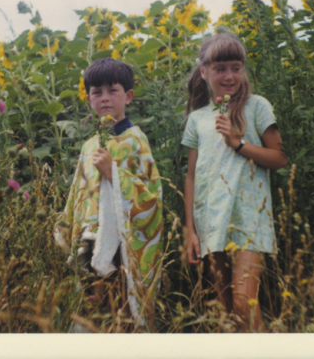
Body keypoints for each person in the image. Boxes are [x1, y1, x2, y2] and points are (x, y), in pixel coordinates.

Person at [181, 32, 287, 332]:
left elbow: (279, 158)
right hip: (211, 219)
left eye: (236, 68)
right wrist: (190, 230)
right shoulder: (198, 119)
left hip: (250, 217)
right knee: (225, 312)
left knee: (244, 303)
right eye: (220, 69)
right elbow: (191, 177)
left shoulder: (257, 106)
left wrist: (237, 143)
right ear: (204, 72)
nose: (230, 76)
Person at [55, 58, 163, 330]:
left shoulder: (135, 140)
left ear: (127, 96)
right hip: (90, 241)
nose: (104, 99)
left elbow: (150, 195)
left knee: (122, 309)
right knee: (94, 311)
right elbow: (79, 192)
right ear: (89, 98)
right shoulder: (90, 144)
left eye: (112, 91)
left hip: (122, 245)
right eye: (96, 92)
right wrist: (66, 227)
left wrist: (112, 172)